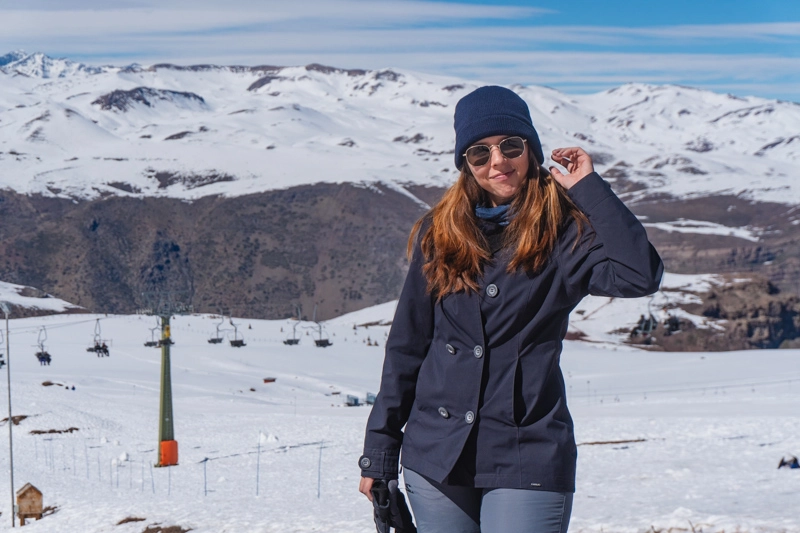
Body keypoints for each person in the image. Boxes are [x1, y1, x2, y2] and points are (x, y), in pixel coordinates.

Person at [358, 85, 663, 532]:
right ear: (466, 164)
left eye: (510, 146)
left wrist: (589, 189)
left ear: (531, 150)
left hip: (528, 451)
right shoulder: (438, 232)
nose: (497, 161)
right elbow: (407, 345)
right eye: (479, 153)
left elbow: (640, 275)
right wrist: (380, 449)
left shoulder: (566, 233)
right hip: (436, 454)